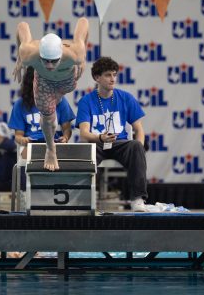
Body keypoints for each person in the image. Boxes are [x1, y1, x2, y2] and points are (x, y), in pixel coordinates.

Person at [76, 57, 150, 212]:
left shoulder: (126, 98)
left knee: (136, 146)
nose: (113, 79)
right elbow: (84, 133)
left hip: (120, 143)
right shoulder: (86, 101)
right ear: (97, 77)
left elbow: (139, 129)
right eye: (108, 75)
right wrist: (100, 137)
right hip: (97, 142)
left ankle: (137, 199)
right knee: (85, 151)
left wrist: (140, 148)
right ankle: (84, 199)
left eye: (114, 75)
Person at [13, 18, 88, 171]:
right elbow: (22, 25)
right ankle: (51, 149)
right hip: (44, 83)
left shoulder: (75, 53)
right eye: (45, 61)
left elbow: (84, 22)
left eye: (54, 61)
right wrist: (19, 58)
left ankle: (53, 104)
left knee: (52, 107)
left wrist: (83, 58)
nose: (49, 66)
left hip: (66, 83)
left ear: (61, 55)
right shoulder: (28, 54)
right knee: (48, 116)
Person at [9, 66, 75, 152]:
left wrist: (65, 137)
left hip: (54, 143)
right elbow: (18, 135)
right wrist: (23, 140)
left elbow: (67, 128)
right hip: (31, 145)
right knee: (28, 155)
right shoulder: (20, 104)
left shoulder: (59, 100)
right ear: (31, 82)